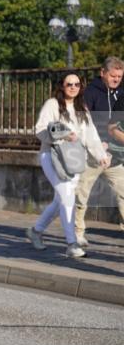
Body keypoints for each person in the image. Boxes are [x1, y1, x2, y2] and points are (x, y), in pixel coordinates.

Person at [26, 73, 109, 258]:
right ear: (62, 86)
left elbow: (91, 135)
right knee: (67, 196)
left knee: (60, 200)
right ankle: (71, 244)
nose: (73, 87)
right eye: (69, 84)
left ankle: (36, 231)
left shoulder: (82, 107)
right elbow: (40, 129)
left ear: (81, 87)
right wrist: (63, 135)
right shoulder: (53, 104)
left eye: (77, 84)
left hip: (74, 159)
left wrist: (100, 155)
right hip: (52, 156)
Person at [74, 56, 124, 243]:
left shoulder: (121, 94)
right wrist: (97, 144)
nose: (117, 79)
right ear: (103, 73)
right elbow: (84, 123)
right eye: (113, 75)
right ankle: (77, 234)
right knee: (82, 194)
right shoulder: (90, 94)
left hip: (113, 154)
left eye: (120, 76)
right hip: (92, 154)